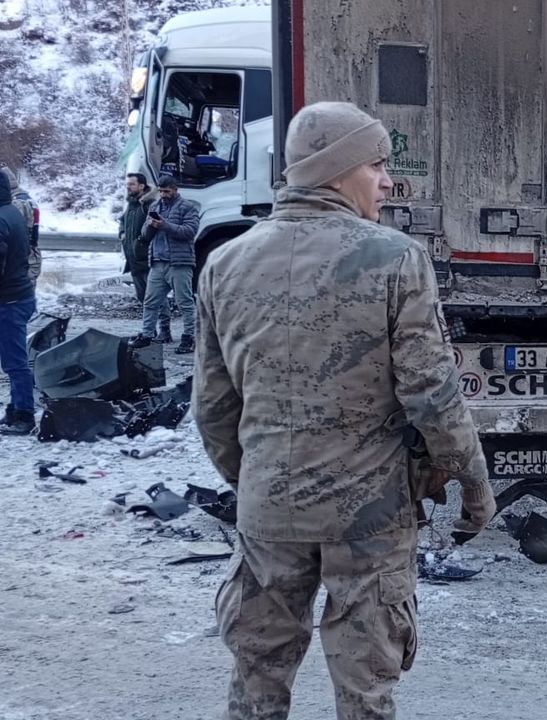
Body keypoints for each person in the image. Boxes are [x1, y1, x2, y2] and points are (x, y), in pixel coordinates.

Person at [194, 101, 497, 719]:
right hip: (369, 514)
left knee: (256, 675)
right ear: (336, 171)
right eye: (376, 165)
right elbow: (431, 393)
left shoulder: (225, 263)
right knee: (366, 687)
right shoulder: (394, 258)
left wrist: (256, 481)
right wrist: (472, 481)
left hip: (269, 508)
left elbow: (213, 407)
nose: (387, 181)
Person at [128, 174, 198, 353]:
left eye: (166, 191)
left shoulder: (187, 207)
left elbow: (190, 231)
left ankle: (189, 337)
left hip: (179, 263)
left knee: (185, 302)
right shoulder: (155, 206)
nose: (163, 195)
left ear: (175, 189)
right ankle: (147, 335)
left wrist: (165, 225)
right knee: (150, 302)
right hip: (157, 262)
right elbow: (145, 234)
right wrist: (150, 226)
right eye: (160, 191)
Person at [0, 169, 36, 435]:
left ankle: (24, 415)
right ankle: (15, 409)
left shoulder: (2, 219)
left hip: (10, 300)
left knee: (15, 362)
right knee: (12, 359)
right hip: (18, 295)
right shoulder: (11, 211)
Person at [118, 173, 172, 342]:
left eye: (131, 184)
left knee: (157, 297)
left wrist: (141, 241)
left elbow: (157, 227)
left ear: (141, 186)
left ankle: (165, 330)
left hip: (148, 259)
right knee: (143, 298)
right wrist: (122, 233)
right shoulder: (132, 204)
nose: (128, 187)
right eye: (127, 184)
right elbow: (122, 221)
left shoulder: (149, 204)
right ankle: (150, 331)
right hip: (134, 260)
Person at [0, 166, 40, 284]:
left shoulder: (16, 203)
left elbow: (12, 236)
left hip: (21, 260)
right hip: (31, 254)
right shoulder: (27, 199)